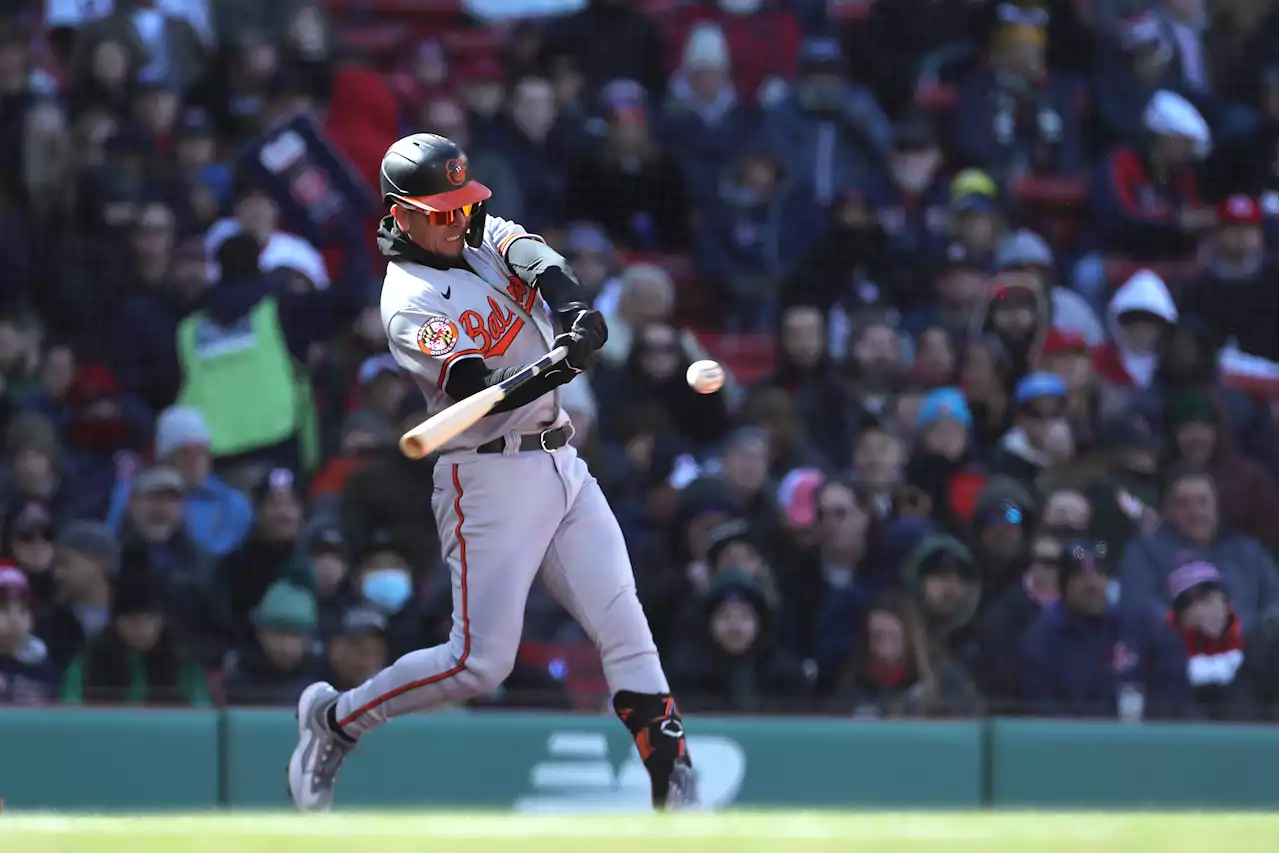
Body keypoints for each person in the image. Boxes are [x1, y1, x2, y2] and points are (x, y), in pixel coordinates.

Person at [286, 134, 695, 812]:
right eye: (439, 210)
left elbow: (534, 257)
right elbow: (480, 390)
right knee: (479, 663)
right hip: (488, 474)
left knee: (624, 620)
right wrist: (561, 363)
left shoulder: (473, 230)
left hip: (561, 458)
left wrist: (572, 312)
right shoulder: (408, 301)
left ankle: (675, 784)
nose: (457, 219)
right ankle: (335, 721)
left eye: (460, 204)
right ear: (403, 213)